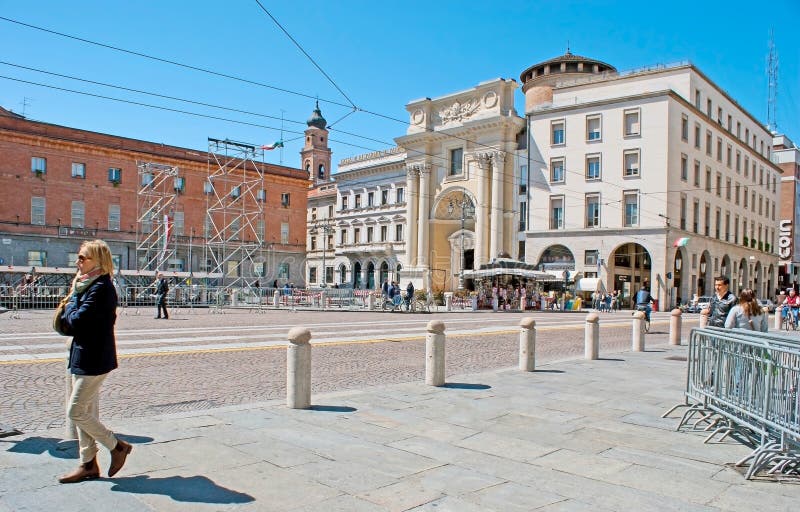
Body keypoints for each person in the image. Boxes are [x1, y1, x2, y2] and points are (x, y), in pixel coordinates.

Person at [58, 239, 132, 483]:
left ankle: (117, 446)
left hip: (94, 358)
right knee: (84, 411)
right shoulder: (84, 285)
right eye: (78, 257)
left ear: (98, 261)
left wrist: (70, 304)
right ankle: (88, 463)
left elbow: (76, 321)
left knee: (76, 411)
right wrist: (73, 304)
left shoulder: (101, 287)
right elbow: (75, 320)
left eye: (83, 258)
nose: (78, 262)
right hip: (82, 354)